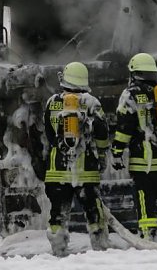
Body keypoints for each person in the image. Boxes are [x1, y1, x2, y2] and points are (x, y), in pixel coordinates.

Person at [111, 53, 157, 242]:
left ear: (134, 73)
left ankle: (149, 237)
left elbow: (123, 128)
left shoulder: (130, 95)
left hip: (145, 163)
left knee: (146, 201)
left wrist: (117, 152)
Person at [42, 62, 110, 256]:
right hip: (85, 170)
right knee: (93, 212)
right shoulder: (91, 102)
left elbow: (48, 134)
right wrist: (103, 155)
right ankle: (100, 250)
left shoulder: (52, 102)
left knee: (58, 213)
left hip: (57, 171)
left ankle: (58, 251)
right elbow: (102, 132)